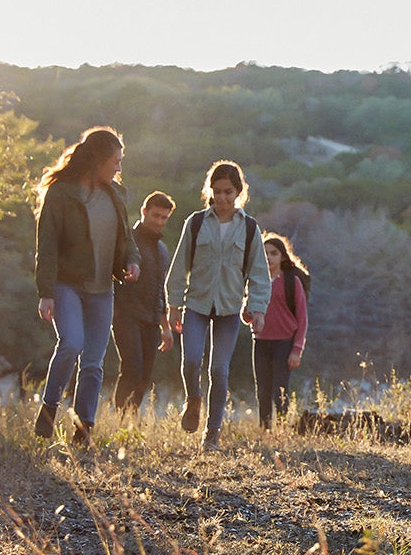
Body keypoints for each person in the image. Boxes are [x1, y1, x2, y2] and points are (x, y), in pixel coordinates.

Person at [33, 127, 140, 445]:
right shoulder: (62, 193)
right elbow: (47, 245)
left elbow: (127, 239)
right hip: (67, 285)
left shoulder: (116, 194)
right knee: (71, 344)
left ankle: (83, 430)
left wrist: (132, 261)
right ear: (97, 161)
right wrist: (45, 292)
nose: (119, 168)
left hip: (102, 289)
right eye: (115, 162)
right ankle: (49, 410)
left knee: (93, 361)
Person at [165, 160, 270, 451]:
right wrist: (173, 305)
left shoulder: (249, 229)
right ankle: (193, 399)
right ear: (210, 191)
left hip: (229, 309)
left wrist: (257, 308)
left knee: (219, 370)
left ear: (238, 192)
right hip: (196, 304)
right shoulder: (196, 222)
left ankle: (212, 431)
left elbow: (259, 274)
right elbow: (178, 268)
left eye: (228, 192)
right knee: (191, 361)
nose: (222, 198)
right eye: (217, 191)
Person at [111, 191, 176, 413]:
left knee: (145, 375)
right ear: (144, 212)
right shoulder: (128, 240)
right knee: (132, 369)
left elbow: (161, 290)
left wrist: (165, 327)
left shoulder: (163, 249)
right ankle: (120, 419)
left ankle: (130, 418)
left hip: (150, 319)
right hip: (125, 315)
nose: (159, 221)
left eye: (164, 217)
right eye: (155, 215)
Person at [253, 233, 310, 430]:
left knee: (280, 389)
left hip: (284, 342)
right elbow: (247, 315)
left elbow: (302, 318)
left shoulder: (292, 282)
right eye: (265, 253)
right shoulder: (256, 281)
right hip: (261, 342)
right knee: (262, 389)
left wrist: (297, 349)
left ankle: (284, 429)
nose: (268, 257)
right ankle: (265, 429)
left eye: (273, 253)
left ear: (283, 257)